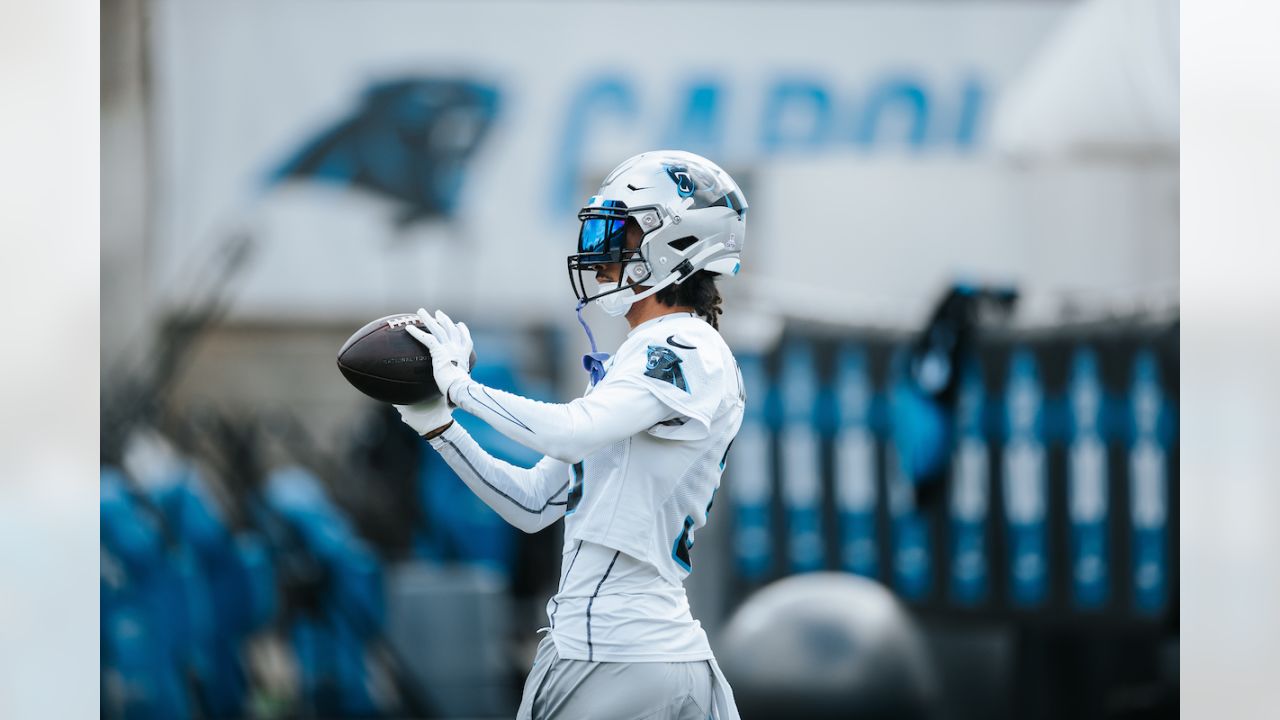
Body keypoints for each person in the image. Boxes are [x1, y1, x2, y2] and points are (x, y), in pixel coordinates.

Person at [395, 150, 748, 720]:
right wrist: (439, 427)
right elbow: (531, 503)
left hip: (621, 658)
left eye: (624, 230)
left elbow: (569, 434)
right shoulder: (643, 357)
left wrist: (461, 387)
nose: (603, 248)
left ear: (677, 245)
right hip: (621, 653)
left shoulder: (685, 347)